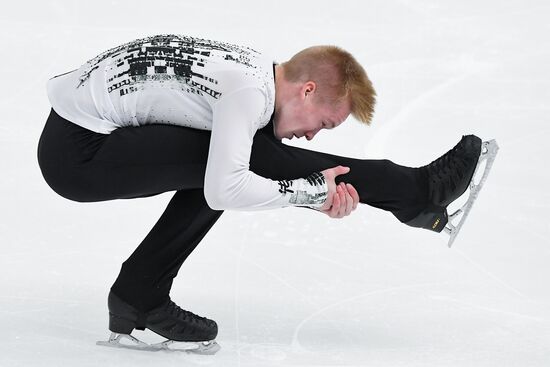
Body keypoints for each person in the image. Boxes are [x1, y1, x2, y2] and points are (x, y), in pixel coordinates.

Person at [37, 33, 484, 353]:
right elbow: (226, 187)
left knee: (238, 155)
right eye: (324, 124)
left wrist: (311, 191)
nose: (311, 136)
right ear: (307, 90)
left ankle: (138, 293)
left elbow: (224, 181)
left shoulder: (252, 70)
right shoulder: (248, 90)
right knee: (240, 161)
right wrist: (311, 193)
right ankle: (416, 193)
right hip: (80, 156)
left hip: (80, 134)